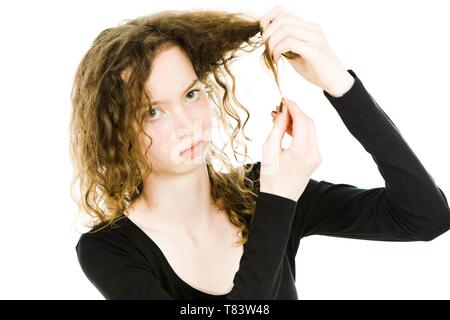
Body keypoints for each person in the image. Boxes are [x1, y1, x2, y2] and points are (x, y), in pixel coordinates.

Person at [71, 6, 450, 299]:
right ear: (116, 132)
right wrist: (279, 199)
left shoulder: (259, 191)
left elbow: (425, 217)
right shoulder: (109, 250)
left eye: (191, 94)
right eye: (153, 111)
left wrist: (338, 83)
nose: (187, 122)